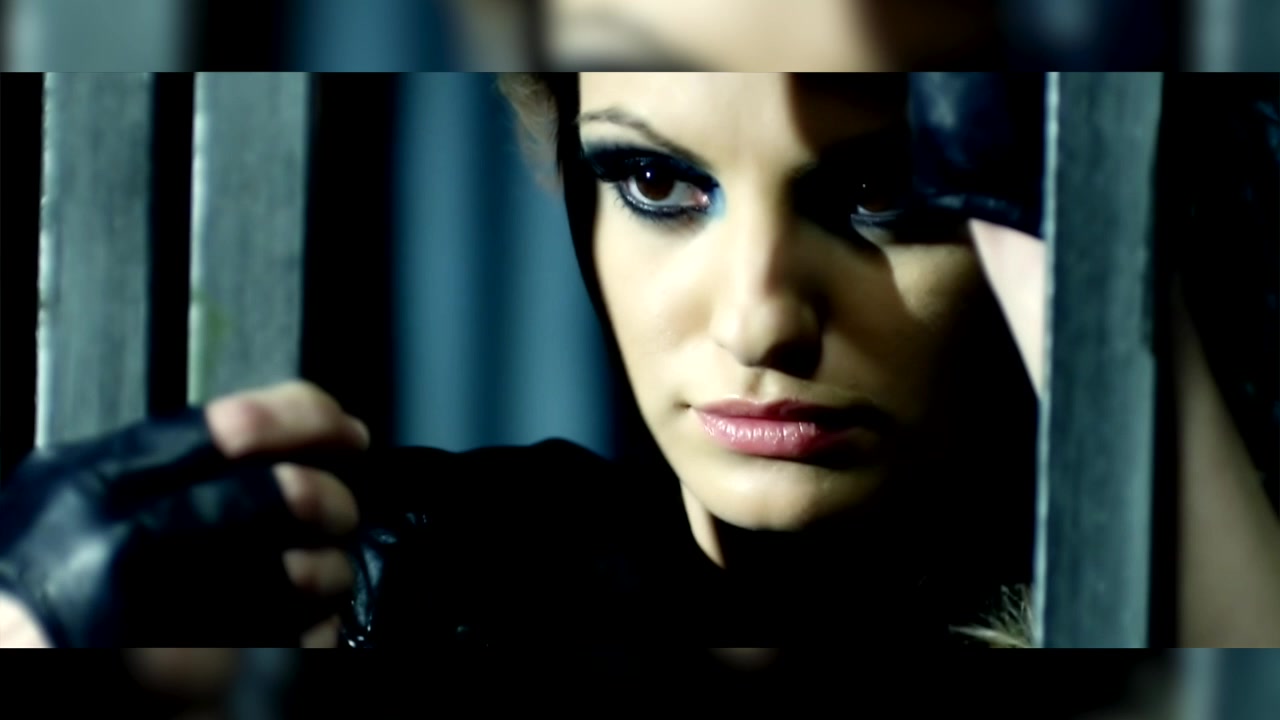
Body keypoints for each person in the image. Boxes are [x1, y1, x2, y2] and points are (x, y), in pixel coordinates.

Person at [0, 70, 1277, 707]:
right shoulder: (412, 578)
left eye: (882, 193)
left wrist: (1085, 247)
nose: (757, 318)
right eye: (656, 184)